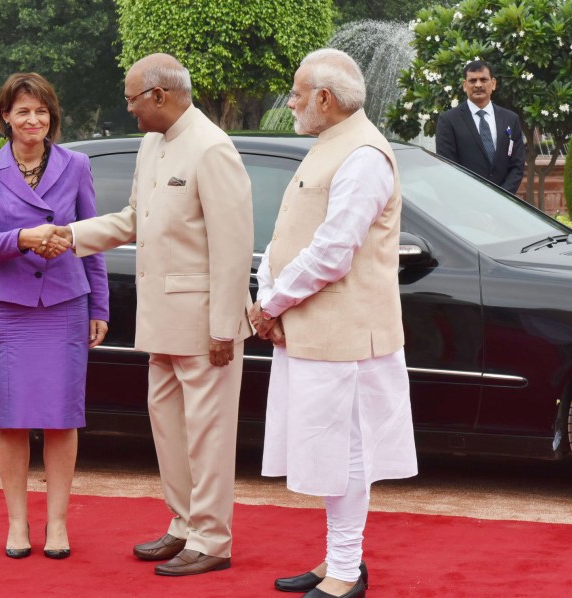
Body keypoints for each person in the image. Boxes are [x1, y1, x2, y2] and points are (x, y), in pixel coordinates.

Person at [43, 53, 253, 576]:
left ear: (159, 96)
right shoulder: (152, 144)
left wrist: (225, 327)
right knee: (170, 430)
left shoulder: (212, 148)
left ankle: (212, 539)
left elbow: (234, 248)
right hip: (161, 321)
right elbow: (135, 218)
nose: (130, 109)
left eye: (133, 99)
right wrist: (74, 236)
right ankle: (183, 525)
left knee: (208, 435)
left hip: (206, 325)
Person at [250, 49, 418, 598]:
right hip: (312, 329)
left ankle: (347, 571)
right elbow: (290, 236)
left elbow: (333, 252)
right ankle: (336, 560)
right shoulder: (330, 144)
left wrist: (270, 305)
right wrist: (269, 295)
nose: (291, 101)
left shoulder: (364, 155)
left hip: (343, 335)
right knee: (326, 451)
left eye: (298, 92)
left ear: (325, 98)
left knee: (345, 452)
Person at [0, 72, 109, 560]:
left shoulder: (76, 165)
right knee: (11, 420)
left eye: (41, 111)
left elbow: (92, 242)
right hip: (7, 308)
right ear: (5, 116)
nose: (33, 120)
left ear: (53, 117)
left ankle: (59, 525)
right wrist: (23, 238)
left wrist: (99, 306)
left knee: (64, 419)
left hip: (66, 304)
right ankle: (18, 524)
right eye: (23, 111)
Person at [435, 59, 525, 194]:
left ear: (493, 84)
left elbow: (517, 165)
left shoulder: (511, 119)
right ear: (465, 85)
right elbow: (448, 167)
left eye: (483, 80)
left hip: (504, 203)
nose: (478, 85)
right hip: (467, 202)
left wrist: (503, 197)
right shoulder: (448, 120)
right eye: (472, 81)